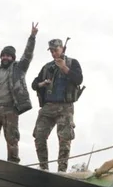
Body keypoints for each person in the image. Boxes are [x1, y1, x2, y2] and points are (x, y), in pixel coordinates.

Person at [0, 23, 38, 163]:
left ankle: (13, 163)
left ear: (13, 58)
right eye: (3, 55)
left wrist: (32, 37)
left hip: (10, 108)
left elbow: (27, 55)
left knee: (12, 138)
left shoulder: (18, 69)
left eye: (8, 56)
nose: (5, 57)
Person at [31, 38, 83, 172]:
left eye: (56, 50)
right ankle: (44, 168)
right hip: (48, 106)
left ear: (62, 49)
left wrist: (64, 68)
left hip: (65, 107)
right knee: (39, 135)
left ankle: (62, 170)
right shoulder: (48, 67)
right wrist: (43, 84)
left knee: (64, 139)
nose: (54, 53)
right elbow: (34, 84)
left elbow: (79, 79)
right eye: (52, 51)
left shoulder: (72, 63)